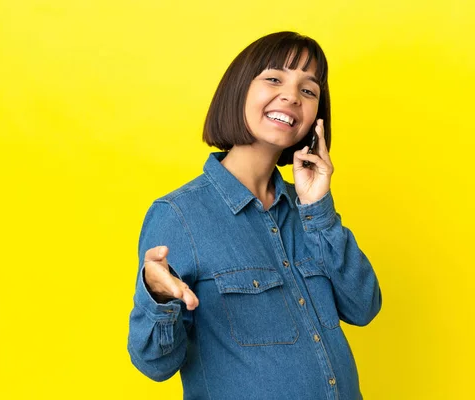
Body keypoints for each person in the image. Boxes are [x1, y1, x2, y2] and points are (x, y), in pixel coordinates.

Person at [127, 31, 382, 400]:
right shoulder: (179, 216)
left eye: (308, 90)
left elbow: (363, 307)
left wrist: (319, 210)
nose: (292, 96)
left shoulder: (308, 210)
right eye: (274, 78)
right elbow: (155, 364)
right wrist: (156, 298)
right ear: (239, 91)